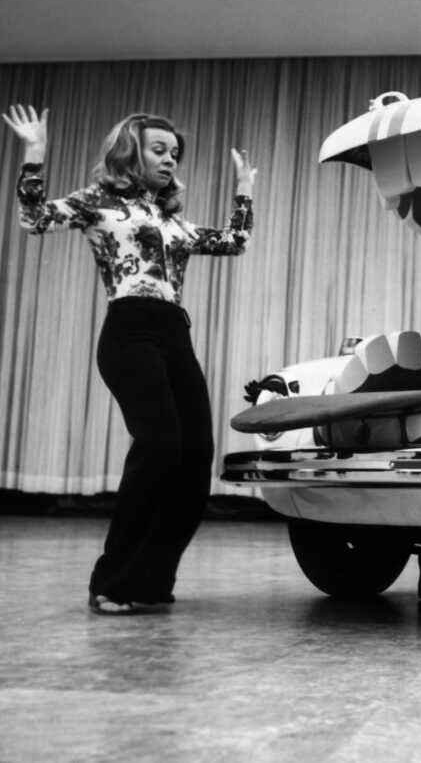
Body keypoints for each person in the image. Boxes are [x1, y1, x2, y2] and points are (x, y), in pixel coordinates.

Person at [3, 104, 257, 615]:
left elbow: (234, 241)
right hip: (129, 332)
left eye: (175, 154)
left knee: (194, 458)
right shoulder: (97, 202)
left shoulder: (169, 219)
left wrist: (245, 188)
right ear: (130, 150)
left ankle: (150, 580)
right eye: (159, 150)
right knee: (160, 444)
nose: (170, 161)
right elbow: (34, 220)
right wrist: (34, 154)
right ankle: (112, 581)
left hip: (173, 334)